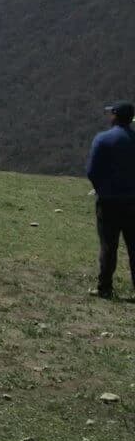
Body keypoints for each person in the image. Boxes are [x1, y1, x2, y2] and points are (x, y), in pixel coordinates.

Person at [86, 101, 135, 299]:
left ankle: (105, 287)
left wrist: (101, 189)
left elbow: (92, 171)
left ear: (115, 116)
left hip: (109, 202)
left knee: (108, 246)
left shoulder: (103, 139)